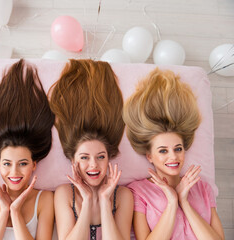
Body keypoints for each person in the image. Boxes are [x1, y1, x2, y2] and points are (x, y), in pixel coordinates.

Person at [123, 68, 225, 240]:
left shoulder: (202, 188)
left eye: (178, 149)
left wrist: (184, 201)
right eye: (163, 151)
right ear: (149, 156)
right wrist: (172, 202)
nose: (173, 157)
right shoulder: (139, 191)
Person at [49, 59, 133, 240]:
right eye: (85, 157)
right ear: (73, 161)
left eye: (100, 157)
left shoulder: (123, 196)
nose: (93, 165)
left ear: (109, 159)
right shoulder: (65, 194)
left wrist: (104, 201)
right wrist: (86, 201)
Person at [0, 59, 55, 240]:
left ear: (34, 165)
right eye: (7, 163)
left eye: (23, 163)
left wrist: (15, 213)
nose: (14, 172)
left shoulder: (45, 199)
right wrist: (3, 212)